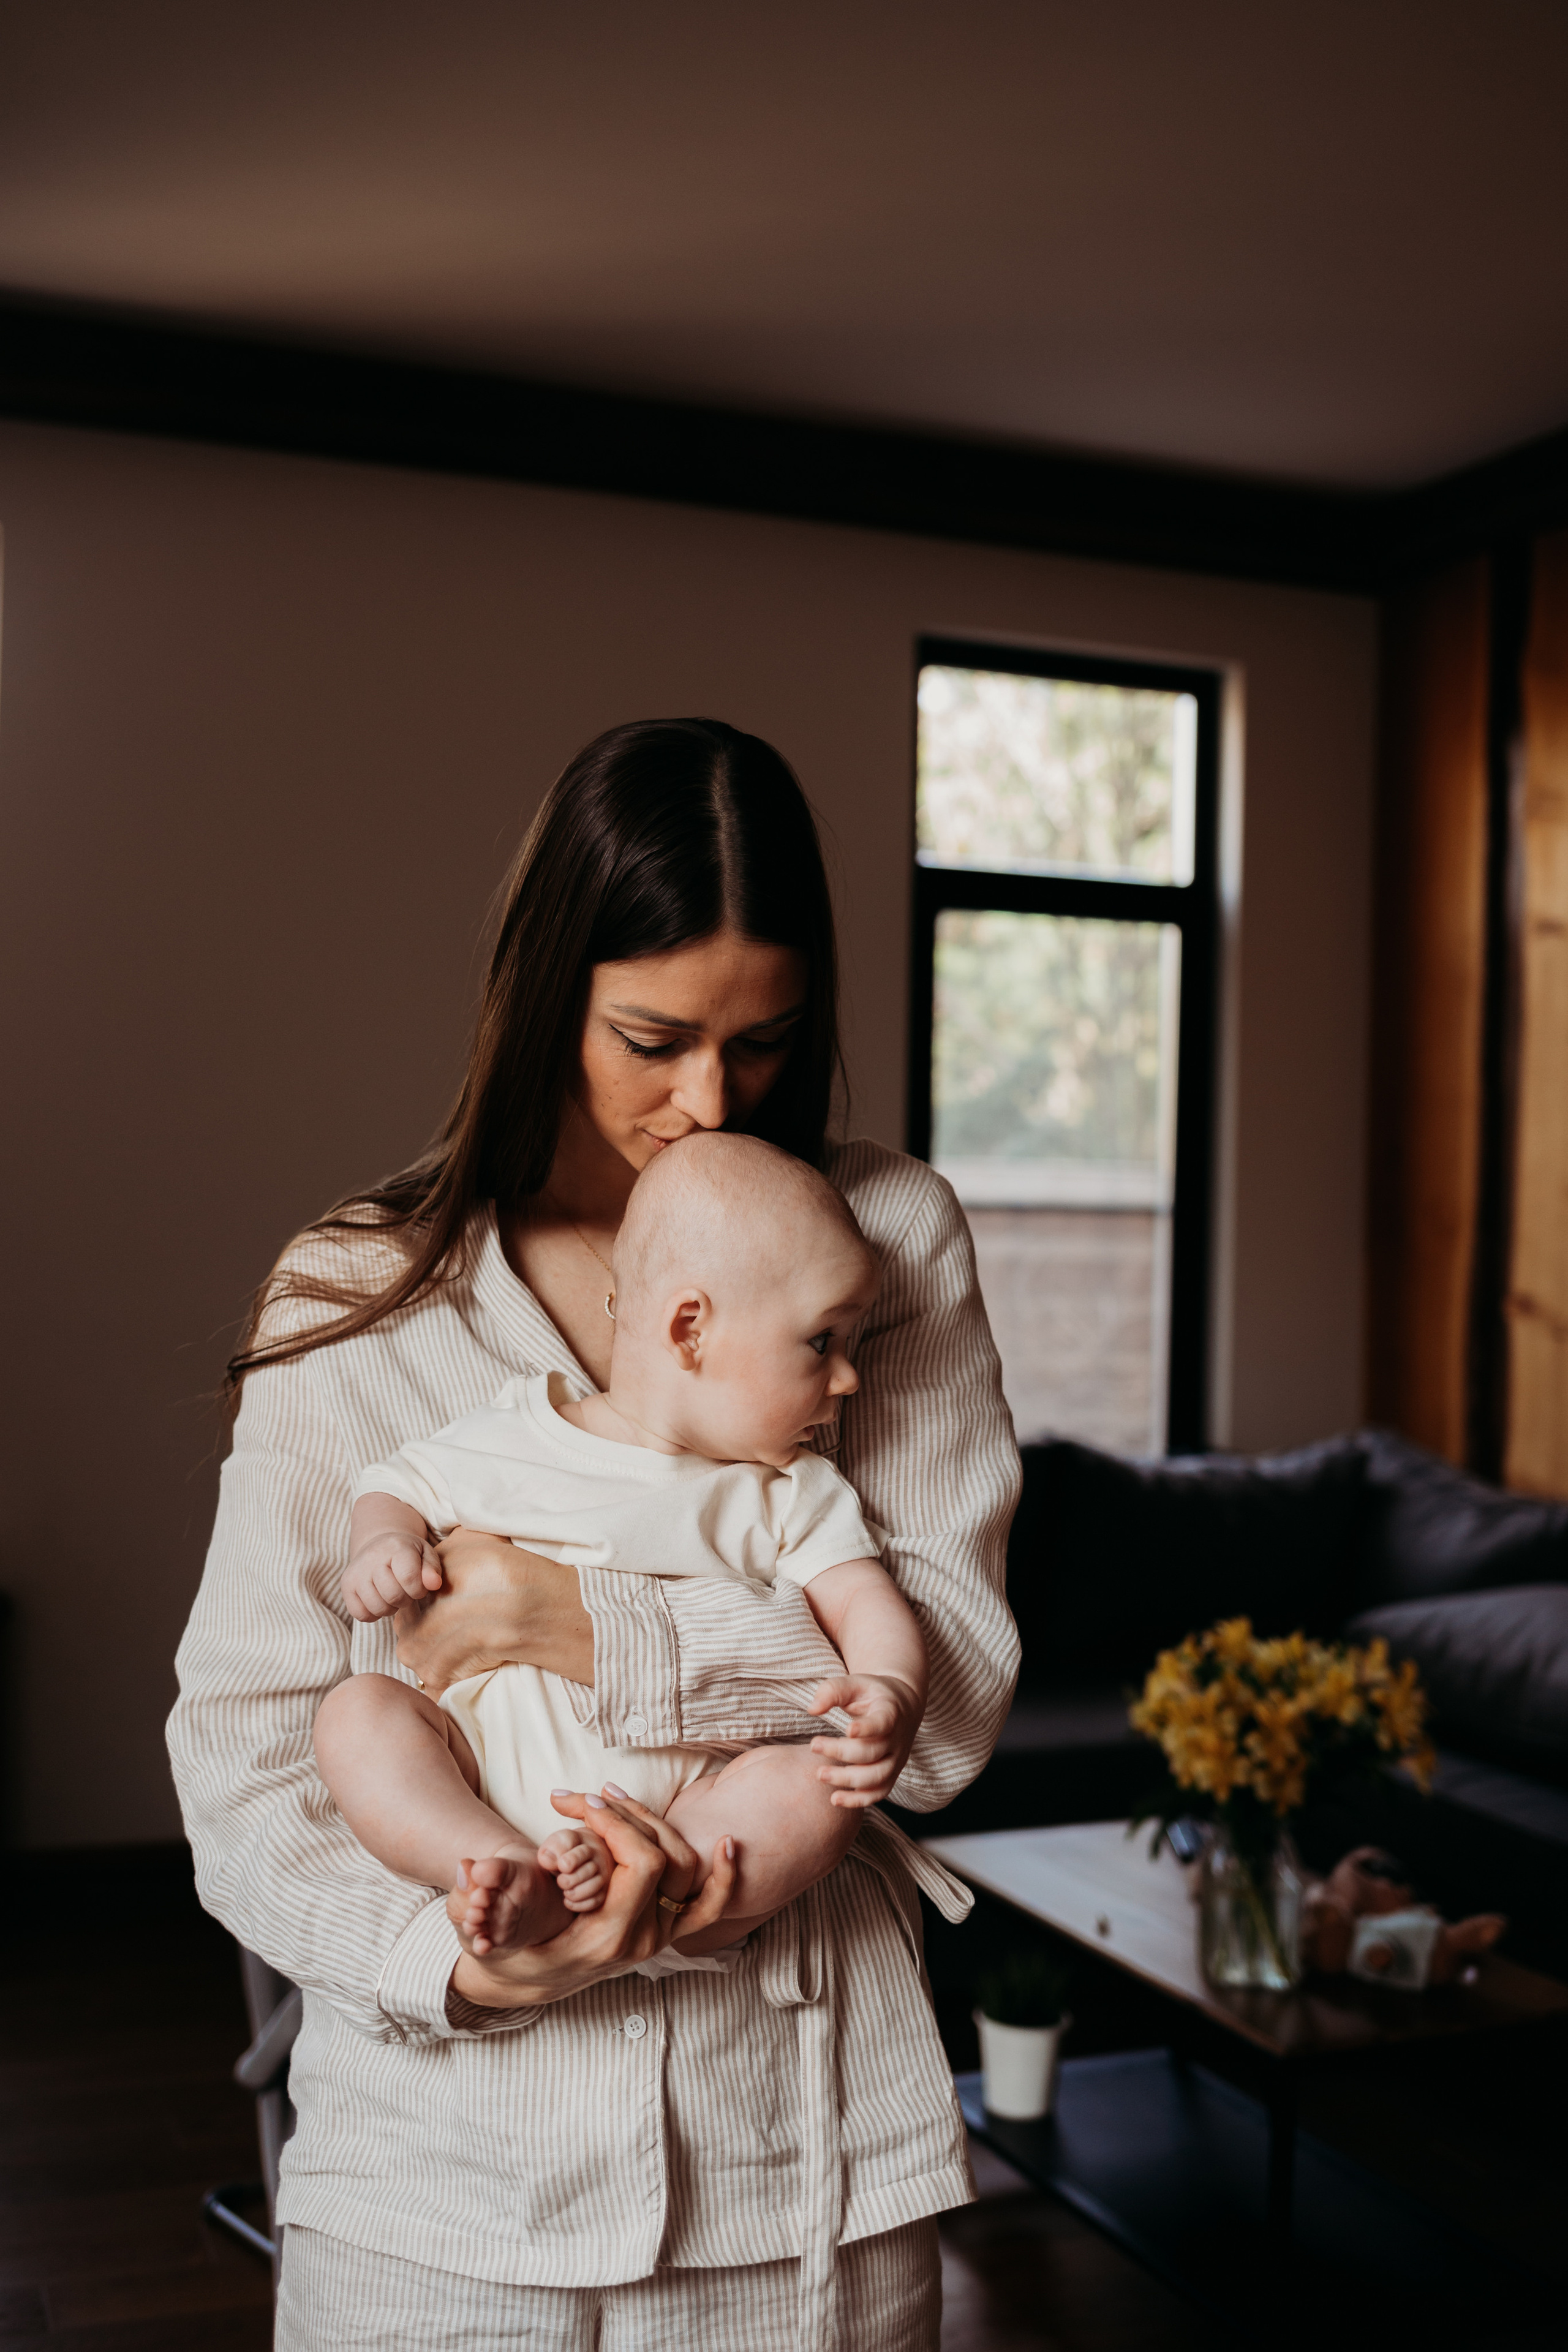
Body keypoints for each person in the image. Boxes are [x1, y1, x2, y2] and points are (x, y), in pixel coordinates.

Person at [168, 717, 1022, 2352]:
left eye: (763, 1044)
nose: (711, 1101)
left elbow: (950, 1699)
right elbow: (247, 1755)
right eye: (653, 1038)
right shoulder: (359, 1298)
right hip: (433, 2194)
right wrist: (456, 1963)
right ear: (545, 991)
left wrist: (570, 1621)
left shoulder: (878, 1252)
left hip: (800, 2195)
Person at [316, 1133, 929, 1962]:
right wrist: (383, 1542)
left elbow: (863, 1601)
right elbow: (397, 1483)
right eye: (824, 1341)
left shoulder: (789, 1491)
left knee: (816, 1793)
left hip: (687, 1816)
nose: (850, 1377)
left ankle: (659, 1903)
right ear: (690, 1329)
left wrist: (889, 1688)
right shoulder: (521, 1431)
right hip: (483, 1772)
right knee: (359, 1716)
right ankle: (493, 1865)